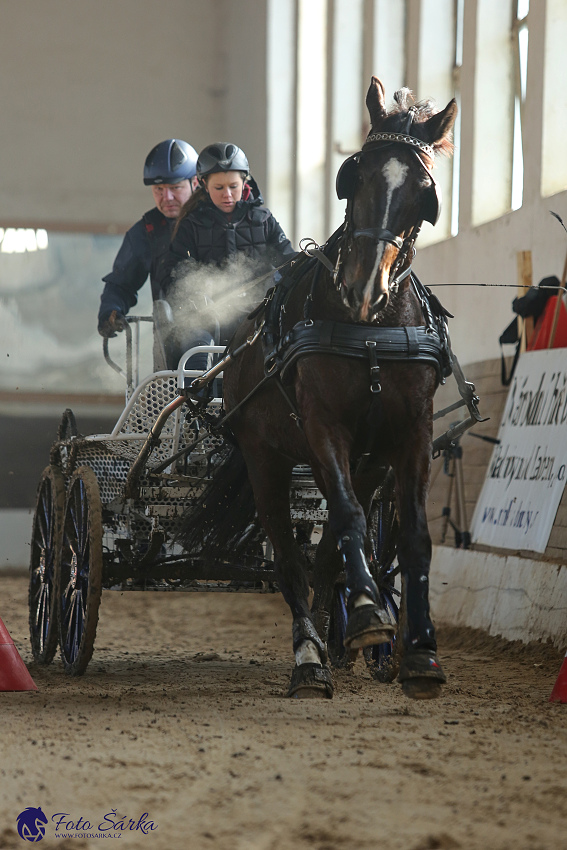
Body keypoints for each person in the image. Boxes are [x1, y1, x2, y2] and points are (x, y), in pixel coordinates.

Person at [156, 141, 295, 371]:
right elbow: (172, 270)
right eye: (218, 188)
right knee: (197, 353)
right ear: (203, 185)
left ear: (245, 182)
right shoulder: (191, 224)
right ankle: (196, 406)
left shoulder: (263, 219)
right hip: (205, 320)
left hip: (257, 319)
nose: (227, 195)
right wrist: (194, 295)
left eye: (233, 186)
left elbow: (288, 260)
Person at [97, 138, 199, 369]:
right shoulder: (147, 233)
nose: (167, 198)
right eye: (158, 190)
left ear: (195, 182)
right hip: (170, 352)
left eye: (175, 188)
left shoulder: (217, 222)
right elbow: (121, 284)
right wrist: (110, 311)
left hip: (229, 346)